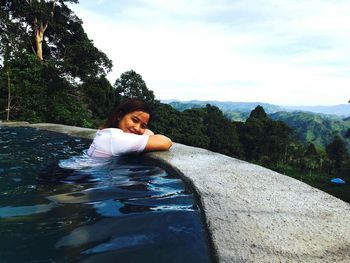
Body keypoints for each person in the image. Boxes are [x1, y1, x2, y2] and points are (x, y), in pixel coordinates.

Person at [87, 99, 172, 157]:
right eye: (134, 120)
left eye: (143, 126)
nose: (137, 128)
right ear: (120, 115)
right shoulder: (117, 138)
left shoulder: (108, 133)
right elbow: (166, 142)